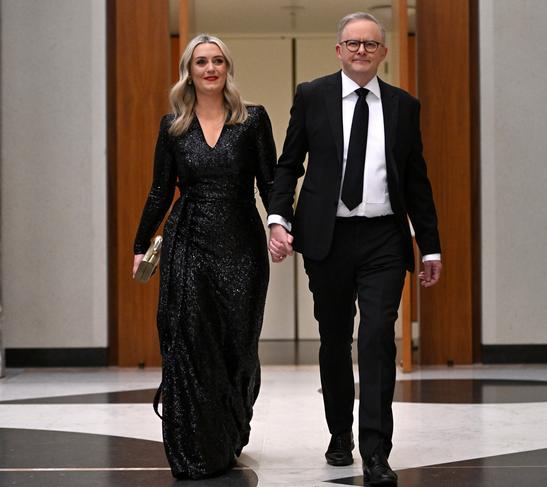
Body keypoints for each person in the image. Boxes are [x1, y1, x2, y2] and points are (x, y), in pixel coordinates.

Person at [267, 12, 442, 486]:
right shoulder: (313, 96)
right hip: (328, 237)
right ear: (339, 50)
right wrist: (278, 217)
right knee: (335, 338)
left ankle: (376, 452)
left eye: (370, 44)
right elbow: (288, 165)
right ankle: (340, 432)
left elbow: (418, 181)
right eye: (353, 43)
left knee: (378, 337)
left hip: (385, 237)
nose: (361, 51)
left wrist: (430, 247)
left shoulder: (404, 106)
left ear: (383, 52)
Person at [132, 34, 276, 479]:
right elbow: (160, 190)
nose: (210, 68)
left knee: (239, 345)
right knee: (191, 345)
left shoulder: (252, 120)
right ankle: (193, 447)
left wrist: (282, 226)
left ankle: (229, 432)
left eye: (217, 61)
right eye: (201, 62)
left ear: (227, 68)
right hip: (188, 242)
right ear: (188, 71)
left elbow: (270, 183)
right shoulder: (172, 125)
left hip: (242, 246)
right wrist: (141, 245)